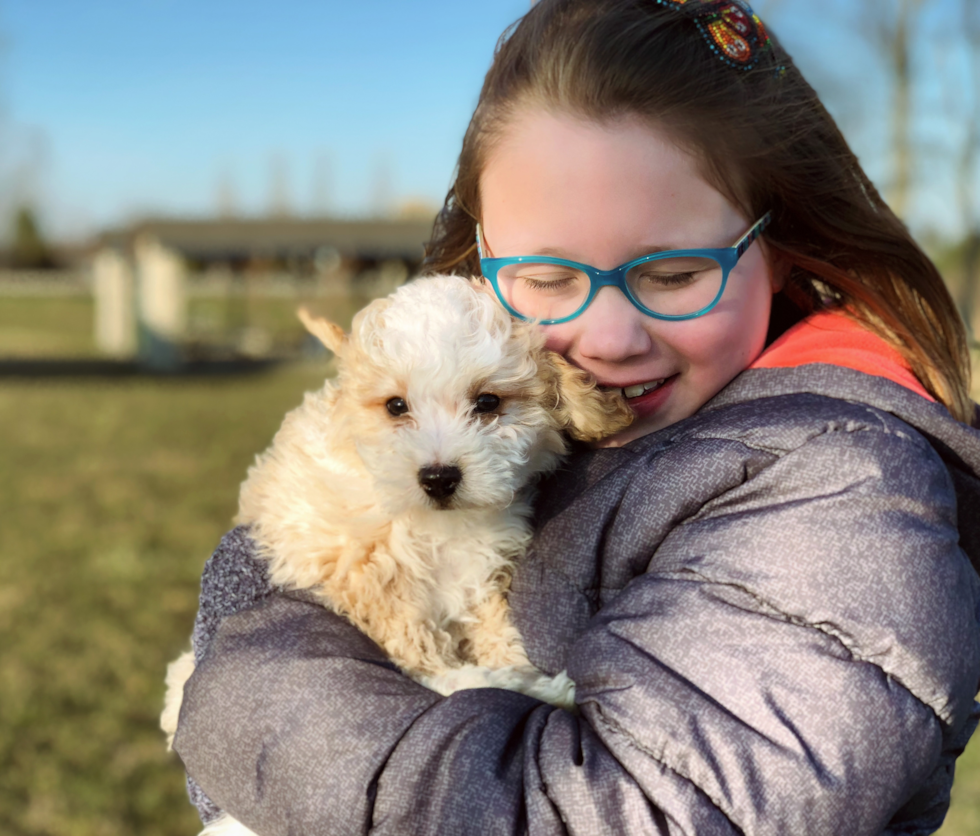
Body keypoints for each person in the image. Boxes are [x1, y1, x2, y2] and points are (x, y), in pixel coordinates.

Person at [172, 1, 980, 833]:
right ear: (481, 252)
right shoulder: (530, 407)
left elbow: (610, 813)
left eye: (673, 272)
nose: (608, 339)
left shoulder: (846, 496)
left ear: (782, 248)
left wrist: (237, 685)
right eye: (548, 277)